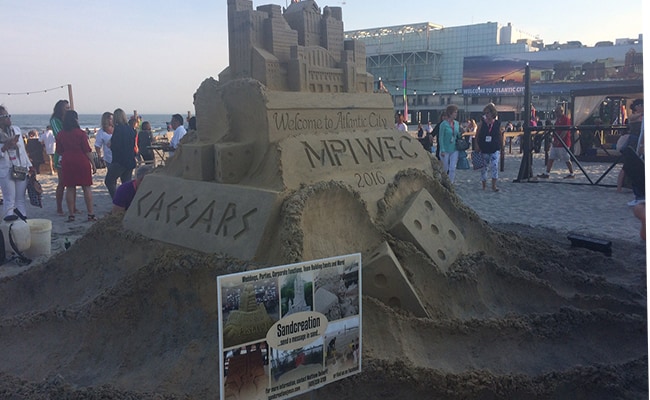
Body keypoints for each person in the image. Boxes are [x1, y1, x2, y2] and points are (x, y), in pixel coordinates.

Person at [56, 110, 97, 222]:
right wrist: (93, 164)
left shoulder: (60, 134)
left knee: (70, 187)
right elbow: (87, 150)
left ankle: (71, 214)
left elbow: (59, 151)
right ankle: (90, 214)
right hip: (81, 160)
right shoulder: (81, 133)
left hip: (67, 160)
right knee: (86, 187)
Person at [0, 106, 32, 221]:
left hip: (20, 167)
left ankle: (22, 223)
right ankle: (9, 226)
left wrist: (29, 166)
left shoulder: (16, 130)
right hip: (5, 169)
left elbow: (23, 151)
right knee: (9, 199)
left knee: (20, 199)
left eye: (8, 115)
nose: (8, 118)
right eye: (4, 116)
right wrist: (5, 147)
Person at [105, 109, 136, 199]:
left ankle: (117, 202)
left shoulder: (118, 129)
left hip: (120, 161)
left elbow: (116, 146)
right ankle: (126, 204)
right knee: (126, 184)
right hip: (130, 159)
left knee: (109, 181)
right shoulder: (130, 129)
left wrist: (111, 145)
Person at [537, 105, 574, 179]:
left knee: (567, 159)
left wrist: (559, 140)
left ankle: (572, 173)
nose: (556, 113)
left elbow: (565, 131)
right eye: (555, 112)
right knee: (551, 158)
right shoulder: (557, 120)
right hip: (556, 142)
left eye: (557, 111)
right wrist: (554, 140)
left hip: (564, 143)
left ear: (561, 111)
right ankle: (547, 173)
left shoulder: (566, 119)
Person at [50, 99, 71, 215]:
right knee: (62, 182)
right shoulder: (54, 120)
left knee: (72, 182)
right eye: (66, 108)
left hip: (71, 153)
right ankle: (59, 207)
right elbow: (59, 135)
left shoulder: (69, 120)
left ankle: (72, 206)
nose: (68, 110)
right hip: (61, 154)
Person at [476, 103, 502, 191]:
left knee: (494, 166)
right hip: (484, 148)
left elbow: (499, 135)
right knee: (484, 168)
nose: (486, 115)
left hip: (494, 148)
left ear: (492, 113)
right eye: (485, 113)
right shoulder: (482, 124)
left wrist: (501, 146)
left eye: (488, 113)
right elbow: (477, 135)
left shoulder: (497, 123)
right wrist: (477, 145)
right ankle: (484, 185)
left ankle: (494, 185)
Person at [438, 104, 461, 183]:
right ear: (450, 113)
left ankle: (451, 183)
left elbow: (458, 135)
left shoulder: (456, 124)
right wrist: (442, 149)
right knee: (445, 168)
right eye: (455, 112)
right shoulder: (443, 124)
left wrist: (462, 133)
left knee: (452, 168)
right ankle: (443, 182)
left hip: (454, 148)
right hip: (445, 149)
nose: (456, 114)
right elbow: (440, 137)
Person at [94, 112, 114, 188]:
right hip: (109, 158)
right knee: (111, 179)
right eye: (111, 119)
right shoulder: (101, 132)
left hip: (120, 156)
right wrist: (99, 156)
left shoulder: (117, 128)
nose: (112, 120)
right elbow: (97, 145)